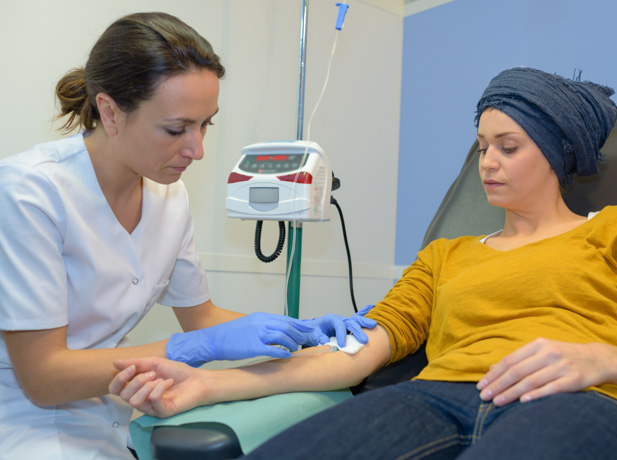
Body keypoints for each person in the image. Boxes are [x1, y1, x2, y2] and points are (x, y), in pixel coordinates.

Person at [110, 67, 617, 459]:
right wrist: (208, 384)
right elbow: (354, 354)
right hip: (436, 396)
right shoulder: (447, 254)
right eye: (482, 145)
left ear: (561, 152)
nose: (487, 161)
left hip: (582, 401)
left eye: (508, 146)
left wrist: (600, 360)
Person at [0, 12, 374, 460]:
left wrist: (305, 330)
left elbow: (201, 317)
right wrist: (194, 348)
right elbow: (44, 377)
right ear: (110, 112)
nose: (197, 150)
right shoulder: (28, 193)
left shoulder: (168, 195)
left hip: (110, 409)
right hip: (22, 417)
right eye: (176, 129)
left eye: (206, 125)